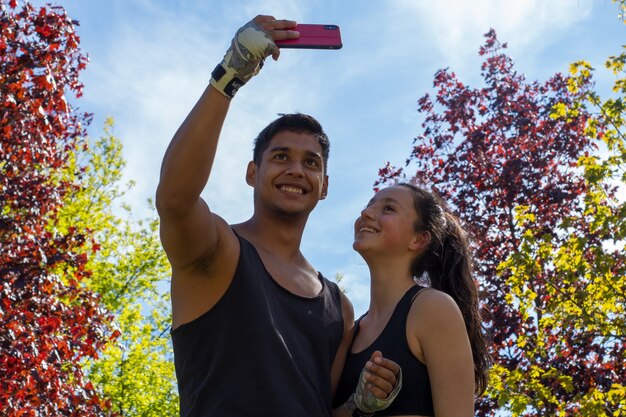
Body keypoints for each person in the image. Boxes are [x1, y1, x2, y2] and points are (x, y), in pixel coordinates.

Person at [156, 15, 400, 417]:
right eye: (281, 157)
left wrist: (361, 404)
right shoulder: (218, 250)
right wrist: (231, 72)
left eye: (311, 162)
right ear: (253, 173)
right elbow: (175, 199)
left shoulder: (339, 308)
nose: (296, 170)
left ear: (324, 186)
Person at [333, 183, 492, 417]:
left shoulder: (433, 309)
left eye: (388, 208)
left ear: (418, 240)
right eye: (369, 206)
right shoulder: (349, 330)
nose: (365, 213)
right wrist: (358, 403)